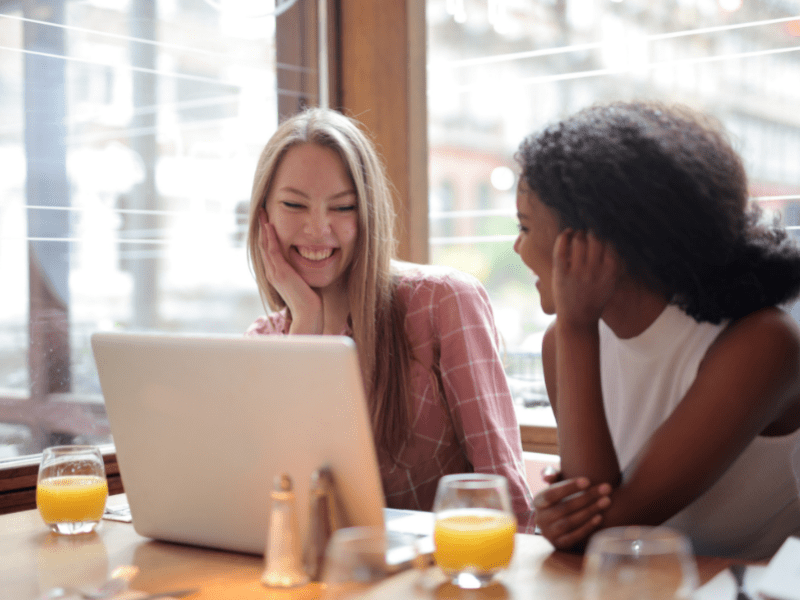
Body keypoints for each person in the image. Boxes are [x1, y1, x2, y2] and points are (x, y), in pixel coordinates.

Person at [513, 100, 800, 560]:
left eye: (525, 226)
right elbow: (590, 515)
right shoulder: (565, 342)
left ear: (594, 239)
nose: (517, 247)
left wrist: (577, 326)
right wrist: (559, 513)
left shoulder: (763, 343)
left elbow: (605, 532)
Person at [244, 107, 535, 531]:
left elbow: (506, 500)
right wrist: (305, 320)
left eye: (342, 207)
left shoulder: (443, 302)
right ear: (263, 215)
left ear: (368, 214)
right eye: (293, 204)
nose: (318, 229)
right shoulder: (266, 339)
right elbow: (275, 510)